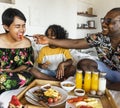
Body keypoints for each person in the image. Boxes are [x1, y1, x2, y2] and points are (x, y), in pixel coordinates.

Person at [34, 8, 120, 90]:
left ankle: (108, 86)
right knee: (84, 63)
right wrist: (48, 40)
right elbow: (76, 43)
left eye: (108, 21)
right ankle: (106, 85)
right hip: (108, 70)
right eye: (103, 20)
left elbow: (69, 60)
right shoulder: (101, 37)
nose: (103, 24)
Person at [0, 8, 54, 94]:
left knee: (32, 75)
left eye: (23, 25)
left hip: (21, 74)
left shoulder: (27, 42)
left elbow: (28, 65)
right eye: (17, 26)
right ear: (6, 27)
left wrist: (13, 71)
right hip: (3, 76)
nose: (22, 30)